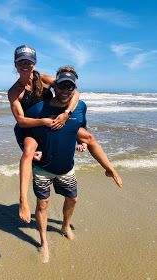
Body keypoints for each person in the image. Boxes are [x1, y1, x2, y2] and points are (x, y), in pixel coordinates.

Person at [24, 66, 123, 263]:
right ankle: (44, 242)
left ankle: (65, 226)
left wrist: (82, 143)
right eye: (61, 86)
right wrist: (28, 149)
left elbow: (83, 128)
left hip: (66, 168)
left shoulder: (80, 107)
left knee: (73, 199)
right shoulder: (39, 109)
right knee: (42, 204)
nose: (65, 91)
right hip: (42, 168)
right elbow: (21, 129)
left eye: (69, 87)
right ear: (55, 86)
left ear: (74, 88)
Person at [8, 45, 80, 223]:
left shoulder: (45, 80)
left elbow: (74, 93)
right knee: (28, 153)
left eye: (29, 61)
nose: (25, 64)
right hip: (32, 127)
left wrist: (66, 114)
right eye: (21, 62)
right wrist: (44, 121)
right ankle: (23, 200)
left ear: (34, 63)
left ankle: (107, 167)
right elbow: (22, 121)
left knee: (87, 137)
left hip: (54, 122)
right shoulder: (14, 92)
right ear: (16, 65)